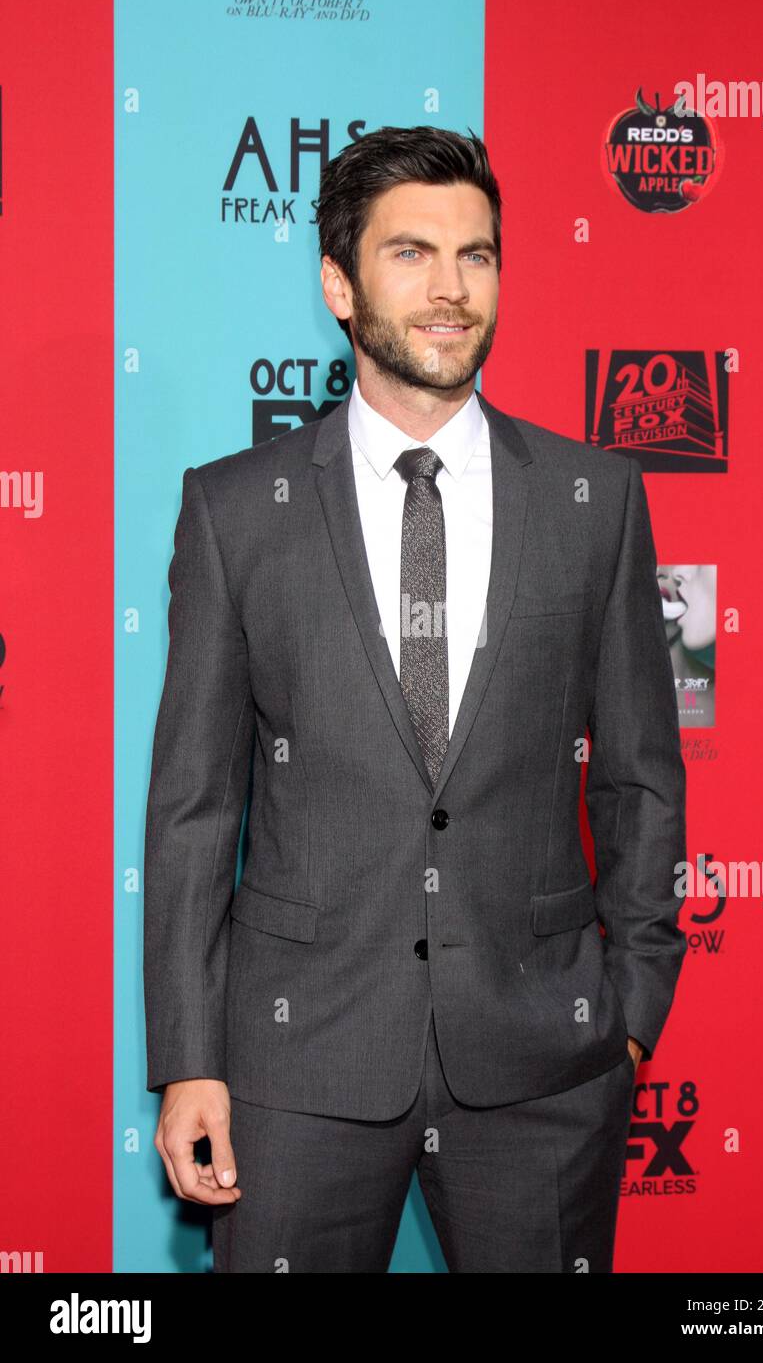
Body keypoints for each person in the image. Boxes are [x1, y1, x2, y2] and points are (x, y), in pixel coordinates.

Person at [143, 125, 687, 1273]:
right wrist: (191, 1059)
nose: (449, 288)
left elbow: (641, 773)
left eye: (476, 255)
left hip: (542, 1059)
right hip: (298, 1067)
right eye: (410, 253)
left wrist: (631, 1009)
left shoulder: (594, 502)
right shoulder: (239, 512)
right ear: (337, 283)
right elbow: (193, 812)